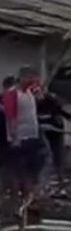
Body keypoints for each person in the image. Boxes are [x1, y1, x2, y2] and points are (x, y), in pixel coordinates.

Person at [2, 66, 46, 221]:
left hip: (32, 137)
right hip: (18, 139)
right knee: (16, 173)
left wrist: (38, 91)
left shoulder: (30, 93)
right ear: (22, 77)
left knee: (30, 173)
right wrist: (14, 137)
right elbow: (11, 117)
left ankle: (25, 205)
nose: (33, 81)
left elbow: (41, 101)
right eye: (30, 78)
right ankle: (14, 206)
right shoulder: (12, 93)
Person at [36, 88, 71, 196]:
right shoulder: (32, 104)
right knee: (45, 160)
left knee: (58, 160)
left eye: (38, 93)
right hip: (42, 136)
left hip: (56, 135)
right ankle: (43, 187)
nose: (36, 96)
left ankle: (61, 187)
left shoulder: (52, 103)